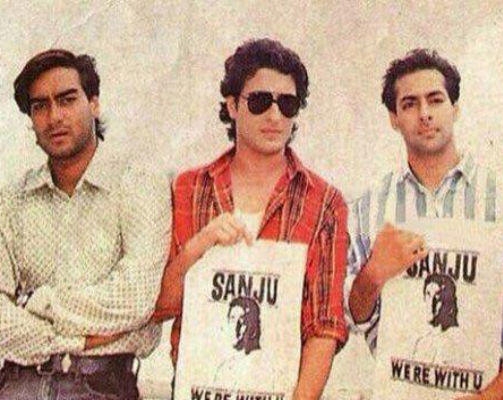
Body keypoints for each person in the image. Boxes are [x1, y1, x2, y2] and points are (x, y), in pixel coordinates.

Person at [346, 48, 503, 399]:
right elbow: (352, 317)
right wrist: (372, 274)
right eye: (409, 104)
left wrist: (493, 395)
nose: (425, 114)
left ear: (455, 108)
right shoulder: (368, 210)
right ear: (393, 118)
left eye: (435, 100)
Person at [152, 38, 348, 400]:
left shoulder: (325, 202)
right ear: (232, 105)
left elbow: (325, 325)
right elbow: (160, 306)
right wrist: (199, 246)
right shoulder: (188, 188)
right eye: (259, 102)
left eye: (287, 104)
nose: (274, 116)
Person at [0, 49, 171, 399]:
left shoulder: (139, 184)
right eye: (40, 106)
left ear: (94, 103)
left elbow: (135, 297)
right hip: (18, 384)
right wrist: (73, 341)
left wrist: (41, 304)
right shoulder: (11, 200)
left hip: (101, 385)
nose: (54, 117)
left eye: (67, 100)